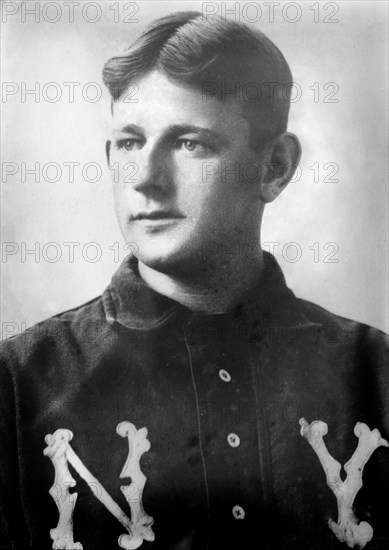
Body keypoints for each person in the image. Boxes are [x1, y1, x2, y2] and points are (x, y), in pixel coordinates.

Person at [0, 11, 388, 550]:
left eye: (189, 144)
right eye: (130, 143)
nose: (146, 180)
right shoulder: (18, 386)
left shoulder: (378, 376)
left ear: (274, 166)